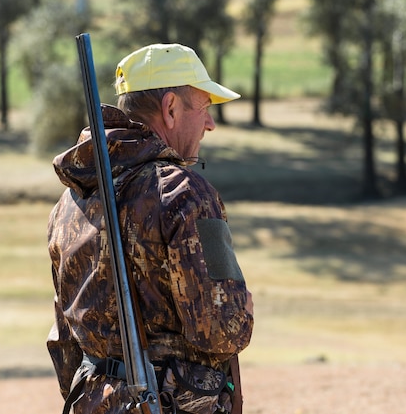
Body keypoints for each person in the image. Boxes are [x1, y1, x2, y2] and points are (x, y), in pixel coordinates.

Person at [47, 43, 254, 414]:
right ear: (170, 108)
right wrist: (242, 306)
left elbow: (64, 344)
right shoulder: (187, 195)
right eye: (204, 107)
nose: (210, 124)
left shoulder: (68, 204)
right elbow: (224, 328)